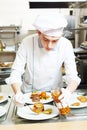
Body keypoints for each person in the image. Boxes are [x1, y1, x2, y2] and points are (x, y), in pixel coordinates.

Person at [5, 13, 81, 106]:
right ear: (39, 32)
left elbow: (73, 76)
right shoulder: (27, 42)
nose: (49, 46)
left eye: (55, 41)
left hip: (55, 97)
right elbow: (16, 72)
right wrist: (17, 92)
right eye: (45, 39)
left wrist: (68, 91)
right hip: (29, 96)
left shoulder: (66, 44)